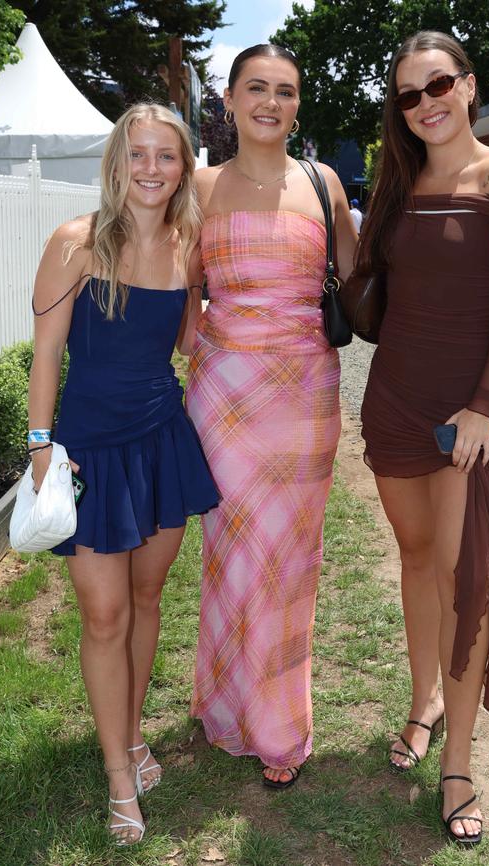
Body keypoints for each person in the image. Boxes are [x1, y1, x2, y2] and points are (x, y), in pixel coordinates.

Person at [355, 31, 489, 845]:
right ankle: (422, 700)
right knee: (418, 561)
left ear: (468, 85)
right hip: (393, 402)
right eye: (407, 95)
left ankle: (458, 761)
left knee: (467, 582)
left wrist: (484, 406)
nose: (425, 104)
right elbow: (376, 298)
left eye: (437, 86)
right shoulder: (397, 181)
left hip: (465, 416)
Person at [27, 104, 219, 845]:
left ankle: (133, 735)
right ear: (117, 162)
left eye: (165, 157)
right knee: (104, 613)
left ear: (182, 166)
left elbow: (182, 338)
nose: (150, 169)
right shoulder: (74, 242)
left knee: (145, 597)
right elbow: (46, 353)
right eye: (136, 155)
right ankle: (117, 771)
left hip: (161, 443)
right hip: (89, 453)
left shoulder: (187, 242)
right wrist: (43, 446)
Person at [185, 44, 358, 789]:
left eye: (285, 91)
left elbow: (356, 281)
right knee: (232, 551)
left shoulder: (324, 185)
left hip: (304, 396)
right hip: (224, 397)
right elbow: (176, 287)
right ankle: (224, 703)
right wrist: (213, 350)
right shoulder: (197, 185)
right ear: (227, 100)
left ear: (296, 105)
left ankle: (279, 723)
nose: (270, 102)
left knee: (291, 560)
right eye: (256, 88)